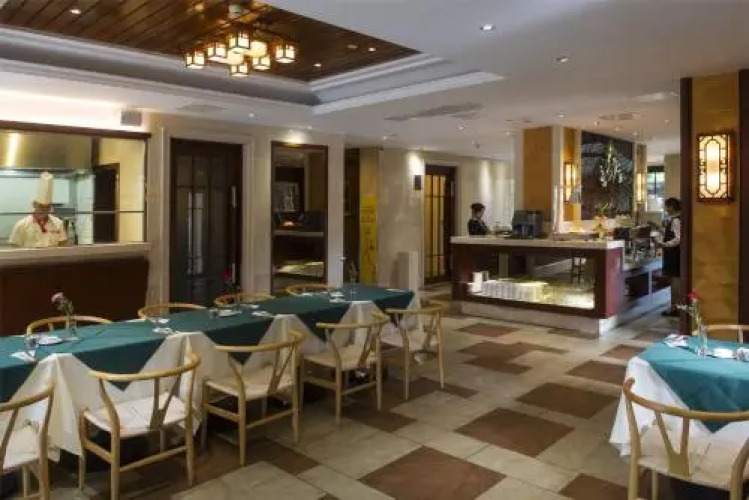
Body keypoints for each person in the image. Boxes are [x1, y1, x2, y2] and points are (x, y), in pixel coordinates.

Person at [9, 172, 68, 248]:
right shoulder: (22, 225)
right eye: (41, 206)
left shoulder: (58, 223)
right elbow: (14, 246)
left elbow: (62, 245)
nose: (44, 210)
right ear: (34, 205)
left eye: (47, 207)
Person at [660, 197, 681, 316]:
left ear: (672, 207)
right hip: (676, 254)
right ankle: (676, 307)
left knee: (675, 281)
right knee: (676, 280)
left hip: (674, 254)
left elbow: (678, 239)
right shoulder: (678, 219)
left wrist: (664, 244)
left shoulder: (676, 220)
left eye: (667, 207)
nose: (666, 209)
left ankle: (675, 308)